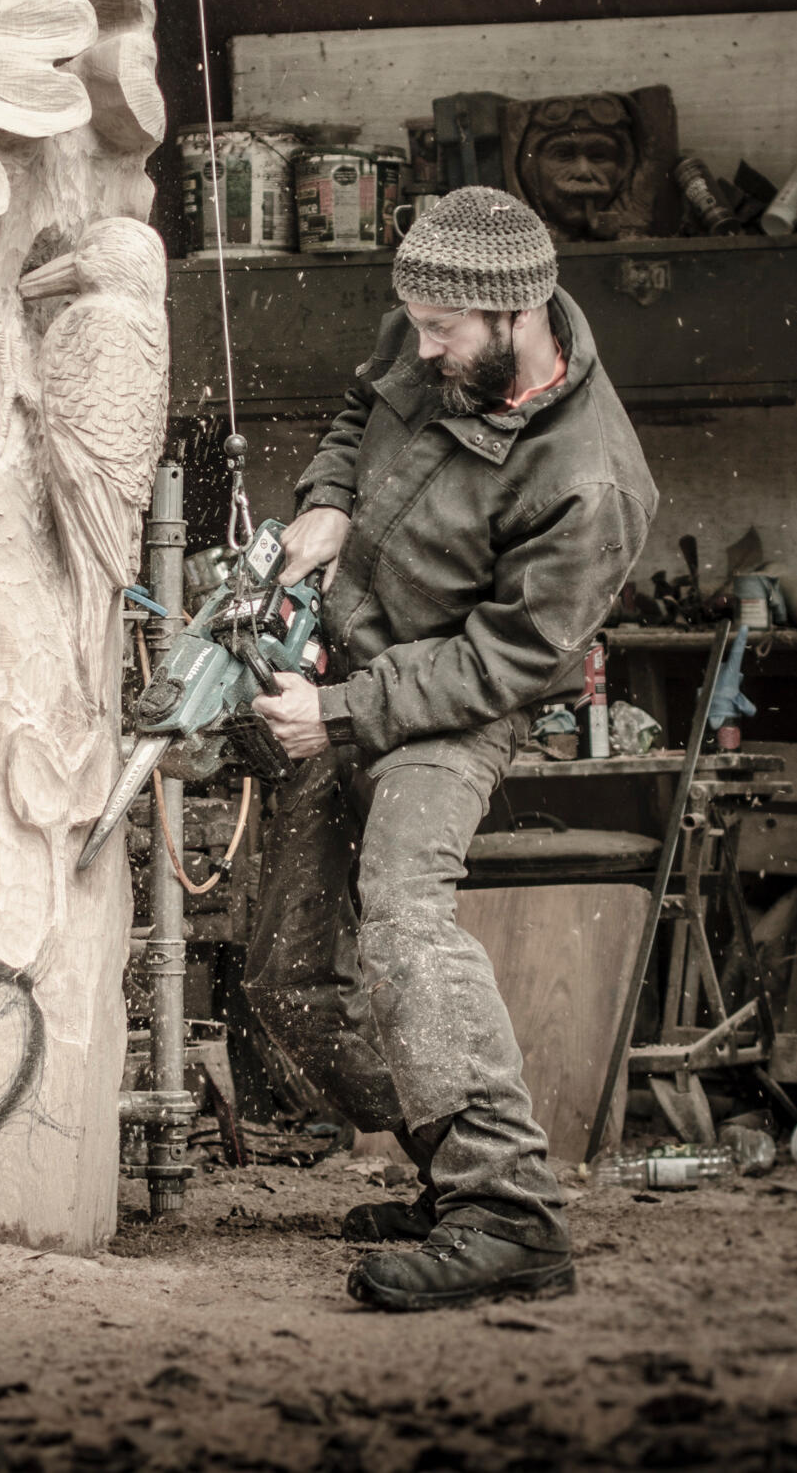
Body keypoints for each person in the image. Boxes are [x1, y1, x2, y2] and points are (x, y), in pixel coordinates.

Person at [243, 185, 658, 1311]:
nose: (416, 345)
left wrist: (338, 713)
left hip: (448, 708)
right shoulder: (429, 325)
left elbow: (505, 663)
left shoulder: (589, 481)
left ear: (513, 317)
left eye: (439, 333)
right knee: (283, 977)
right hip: (342, 667)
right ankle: (447, 1161)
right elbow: (353, 411)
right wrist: (324, 500)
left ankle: (508, 1212)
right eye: (411, 322)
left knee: (402, 916)